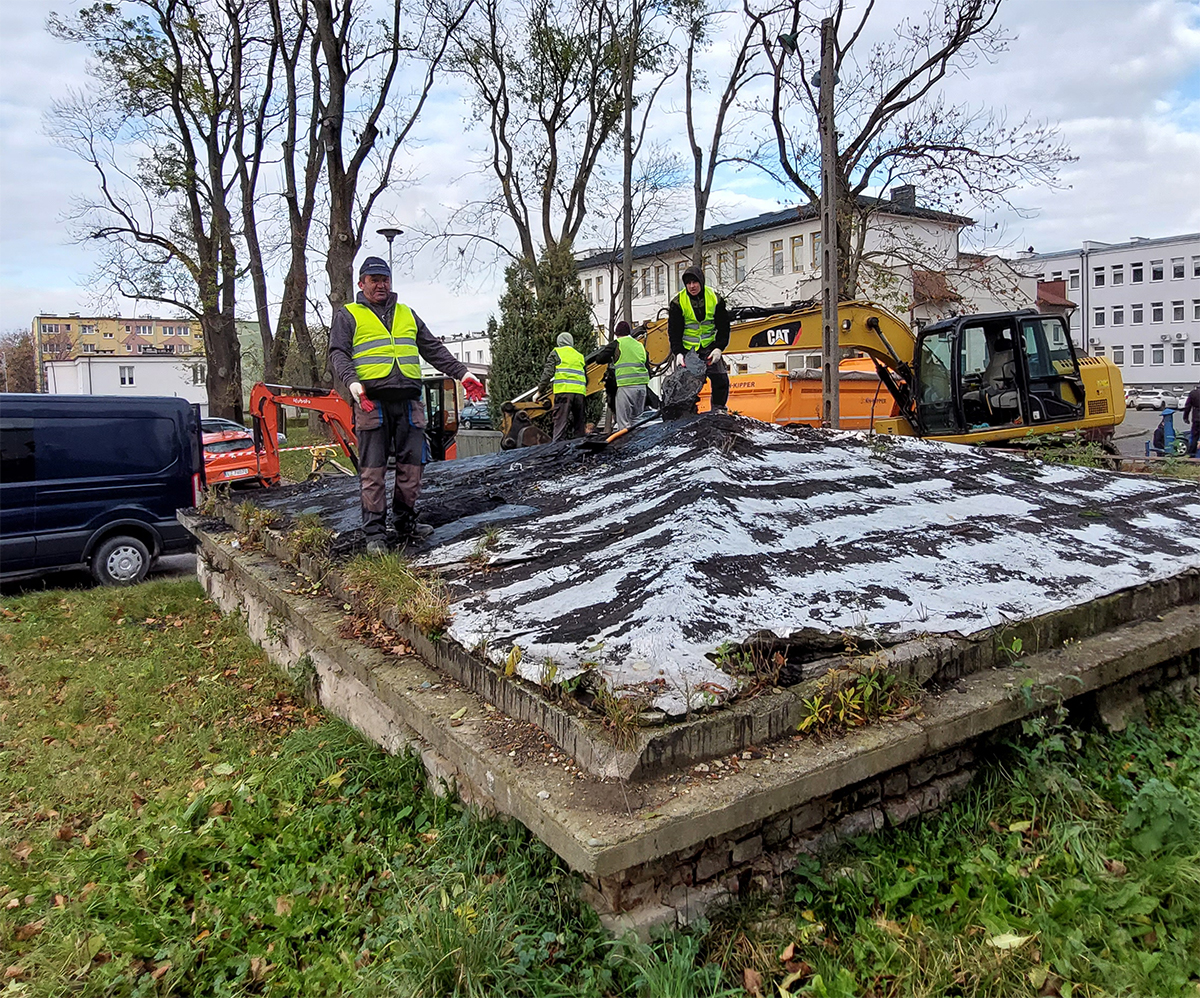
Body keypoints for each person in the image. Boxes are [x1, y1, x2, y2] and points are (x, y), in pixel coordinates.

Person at [328, 256, 484, 554]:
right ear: (361, 284)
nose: (380, 284)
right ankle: (374, 533)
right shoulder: (348, 316)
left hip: (410, 402)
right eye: (373, 279)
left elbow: (433, 349)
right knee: (373, 470)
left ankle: (405, 522)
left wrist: (462, 374)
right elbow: (338, 353)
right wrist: (352, 383)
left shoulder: (407, 314)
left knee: (412, 467)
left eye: (384, 279)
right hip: (370, 401)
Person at [667, 266, 730, 413]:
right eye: (688, 283)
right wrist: (678, 353)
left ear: (701, 282)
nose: (692, 286)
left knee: (720, 378)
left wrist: (719, 348)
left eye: (695, 282)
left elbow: (724, 327)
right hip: (688, 351)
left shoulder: (715, 298)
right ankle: (688, 413)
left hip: (710, 347)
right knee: (685, 385)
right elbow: (674, 331)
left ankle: (719, 410)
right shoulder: (678, 302)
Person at [591, 320, 650, 430]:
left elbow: (600, 359)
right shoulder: (639, 345)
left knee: (624, 422)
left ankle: (626, 445)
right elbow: (647, 366)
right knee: (637, 420)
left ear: (616, 333)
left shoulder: (617, 344)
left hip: (626, 386)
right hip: (641, 387)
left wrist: (611, 358)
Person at [537, 332, 587, 441]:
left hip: (564, 392)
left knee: (560, 423)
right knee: (579, 426)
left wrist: (540, 391)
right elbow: (585, 375)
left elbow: (547, 374)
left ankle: (557, 451)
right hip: (579, 393)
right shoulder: (579, 355)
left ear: (559, 342)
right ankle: (581, 450)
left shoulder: (557, 352)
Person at [1183, 382, 1200, 458]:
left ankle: (1191, 455)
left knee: (1194, 437)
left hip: (1196, 417)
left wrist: (1185, 417)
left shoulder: (1193, 393)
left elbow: (1187, 406)